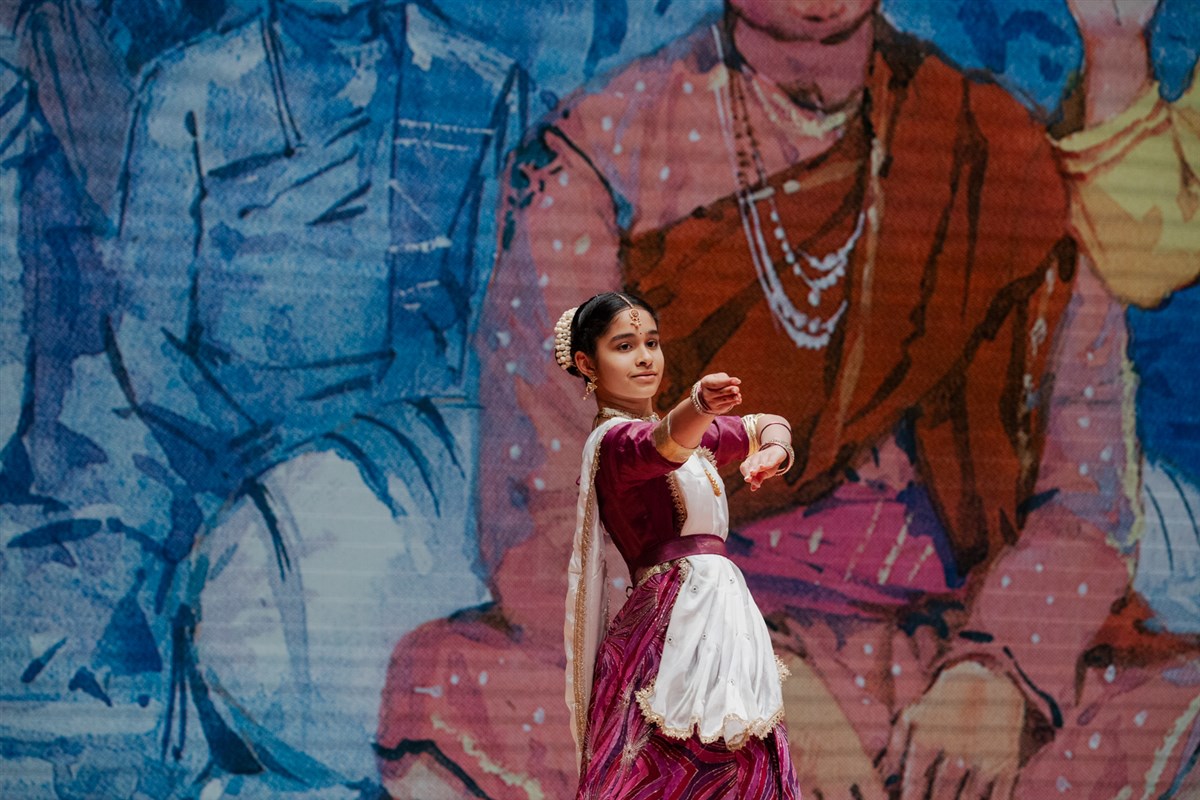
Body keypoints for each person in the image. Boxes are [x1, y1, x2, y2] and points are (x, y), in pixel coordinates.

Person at [379, 1, 1199, 797]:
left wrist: (1000, 671)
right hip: (692, 649)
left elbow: (1085, 497)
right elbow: (555, 516)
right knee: (450, 687)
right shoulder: (596, 159)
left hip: (954, 664)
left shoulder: (1002, 151)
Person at [555, 291, 799, 798]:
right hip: (666, 627)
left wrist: (773, 450)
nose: (645, 357)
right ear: (587, 363)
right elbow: (659, 447)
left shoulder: (693, 435)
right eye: (624, 346)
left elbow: (766, 424)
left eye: (652, 342)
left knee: (744, 759)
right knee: (664, 767)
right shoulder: (613, 445)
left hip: (725, 619)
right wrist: (700, 405)